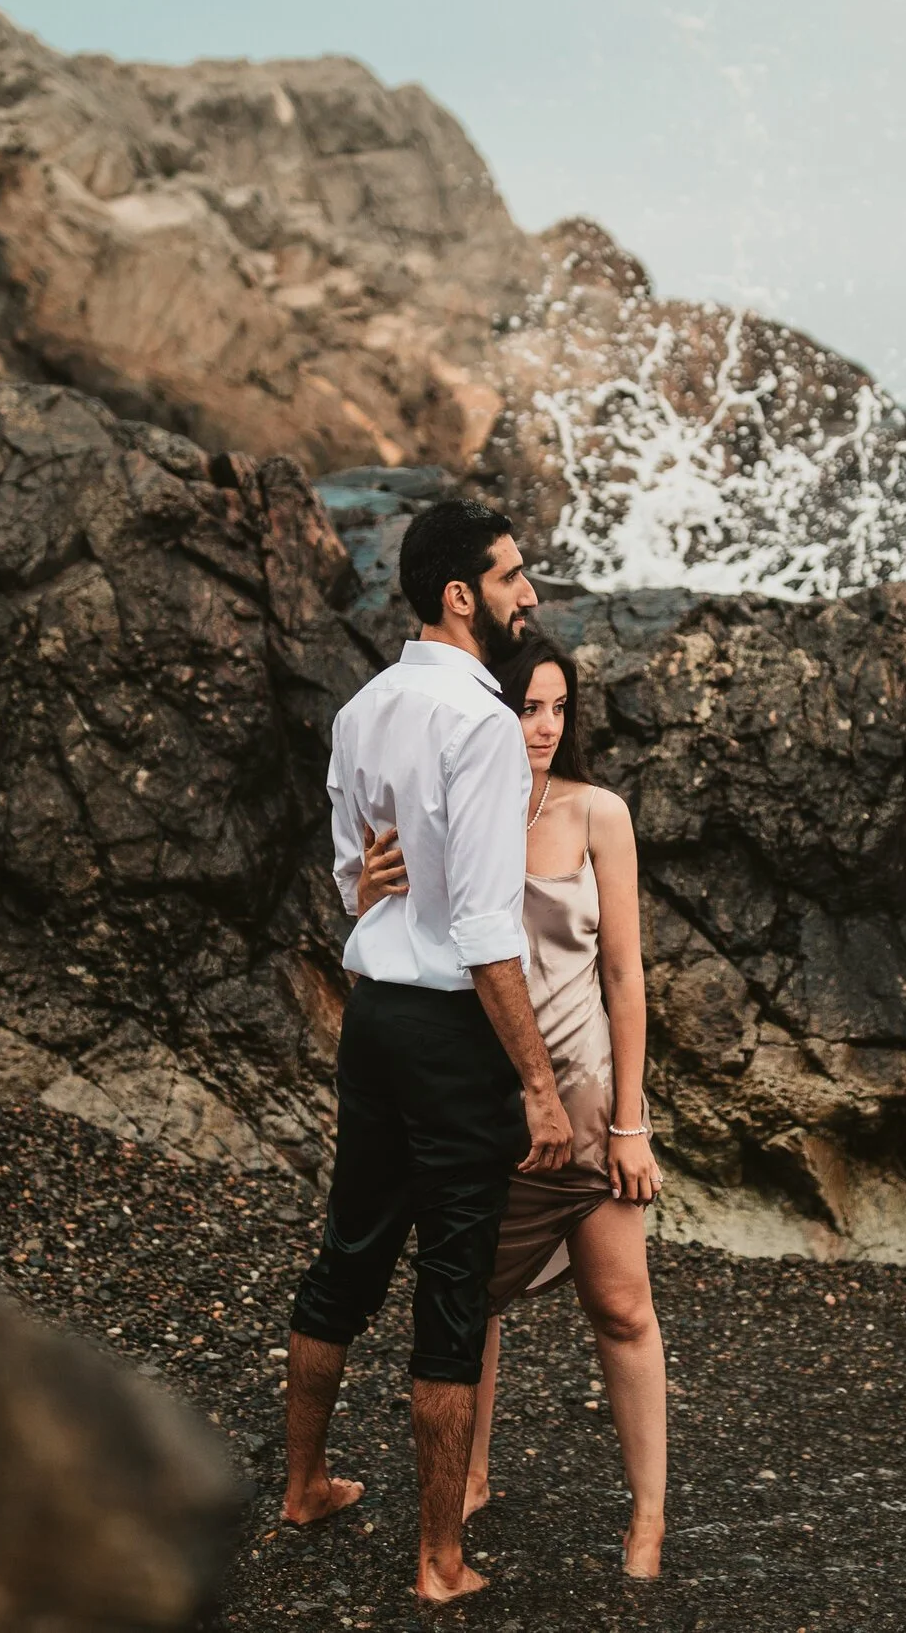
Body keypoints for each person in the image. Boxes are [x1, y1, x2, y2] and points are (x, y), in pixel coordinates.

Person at [280, 500, 573, 1606]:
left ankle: (304, 1485)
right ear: (460, 595)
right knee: (451, 1290)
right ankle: (441, 1561)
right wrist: (539, 1084)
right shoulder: (484, 725)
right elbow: (490, 935)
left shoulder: (363, 710)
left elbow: (353, 881)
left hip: (375, 1022)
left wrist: (375, 891)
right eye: (510, 577)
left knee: (348, 1255)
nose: (526, 595)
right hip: (451, 1034)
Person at [354, 630, 669, 1578]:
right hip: (488, 1104)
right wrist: (360, 889)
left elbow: (625, 978)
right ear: (492, 708)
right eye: (528, 706)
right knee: (471, 1299)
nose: (544, 726)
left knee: (623, 1305)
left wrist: (631, 1121)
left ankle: (648, 1520)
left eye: (559, 708)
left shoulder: (599, 812)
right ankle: (471, 1476)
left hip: (589, 1102)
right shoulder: (459, 809)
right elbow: (401, 936)